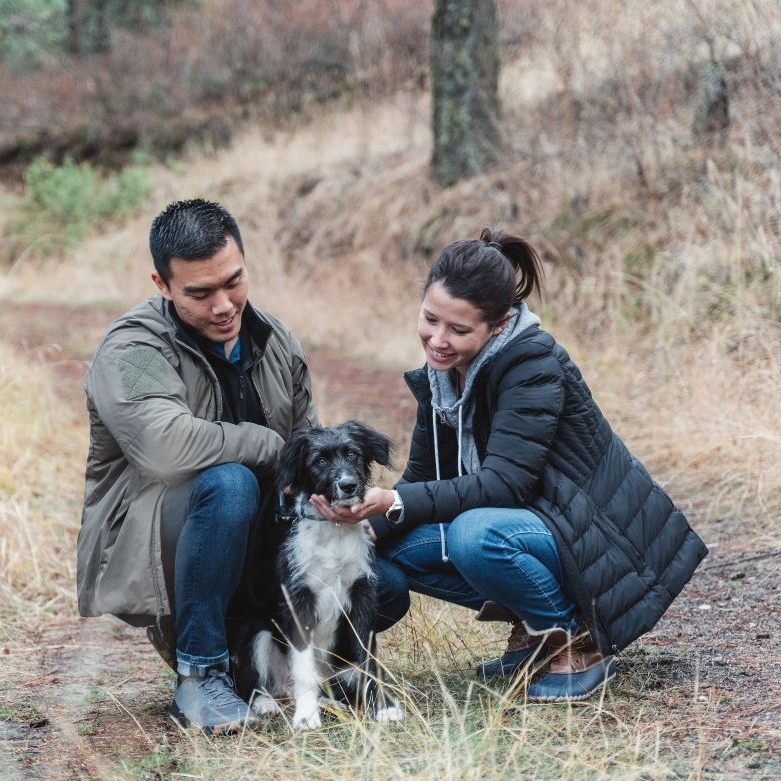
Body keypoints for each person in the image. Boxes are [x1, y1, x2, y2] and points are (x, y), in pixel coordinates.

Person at [311, 227, 708, 701]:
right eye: (430, 318)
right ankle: (531, 632)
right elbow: (422, 480)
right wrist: (365, 525)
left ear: (498, 325)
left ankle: (573, 638)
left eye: (458, 330)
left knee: (475, 535)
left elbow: (505, 484)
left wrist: (393, 500)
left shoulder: (532, 362)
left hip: (593, 537)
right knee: (387, 547)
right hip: (541, 529)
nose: (437, 340)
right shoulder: (445, 378)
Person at [75, 199, 410, 734]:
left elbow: (312, 449)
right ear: (162, 284)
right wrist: (267, 445)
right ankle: (201, 669)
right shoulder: (131, 351)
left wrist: (334, 506)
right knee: (229, 484)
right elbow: (163, 445)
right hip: (166, 536)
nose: (225, 304)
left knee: (384, 585)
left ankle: (326, 672)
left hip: (266, 535)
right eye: (200, 293)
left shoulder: (276, 340)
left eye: (234, 281)